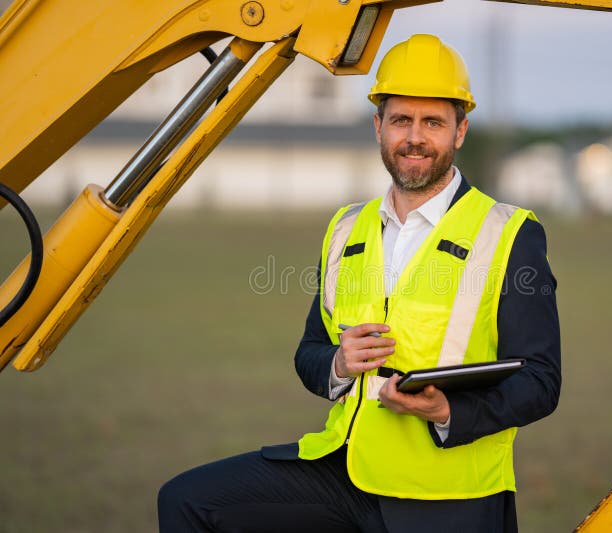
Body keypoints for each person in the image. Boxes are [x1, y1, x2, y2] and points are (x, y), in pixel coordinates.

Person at [158, 34, 561, 533]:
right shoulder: (347, 227)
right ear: (378, 126)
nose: (414, 137)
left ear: (460, 131)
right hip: (344, 473)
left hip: (448, 494)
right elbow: (310, 351)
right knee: (187, 502)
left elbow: (541, 381)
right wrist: (338, 362)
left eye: (432, 122)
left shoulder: (510, 233)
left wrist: (447, 410)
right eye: (401, 120)